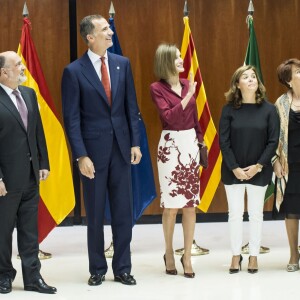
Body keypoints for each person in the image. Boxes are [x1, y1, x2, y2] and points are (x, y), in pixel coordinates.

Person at [61, 15, 142, 286]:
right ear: (90, 37)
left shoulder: (122, 64)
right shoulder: (74, 71)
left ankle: (122, 268)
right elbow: (71, 118)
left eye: (109, 29)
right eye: (104, 29)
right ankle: (97, 268)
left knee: (122, 212)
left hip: (121, 149)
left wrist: (134, 143)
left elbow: (131, 107)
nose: (110, 32)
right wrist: (81, 155)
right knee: (95, 214)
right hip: (92, 154)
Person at [0, 51, 56, 294]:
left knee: (29, 231)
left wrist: (43, 162)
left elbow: (37, 132)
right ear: (4, 72)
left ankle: (33, 277)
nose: (23, 67)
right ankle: (3, 275)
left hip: (31, 176)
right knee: (2, 232)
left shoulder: (29, 94)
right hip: (6, 180)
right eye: (18, 64)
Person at [150, 43, 205, 278]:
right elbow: (169, 117)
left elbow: (194, 118)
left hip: (190, 144)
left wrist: (201, 142)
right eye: (177, 57)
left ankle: (187, 256)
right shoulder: (157, 88)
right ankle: (169, 252)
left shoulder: (186, 84)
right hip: (170, 146)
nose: (182, 60)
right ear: (166, 62)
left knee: (190, 205)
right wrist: (189, 96)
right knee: (171, 206)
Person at [219, 65, 279, 274]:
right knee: (235, 214)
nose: (252, 79)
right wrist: (235, 168)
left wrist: (258, 166)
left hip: (260, 170)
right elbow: (223, 142)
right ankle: (236, 255)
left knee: (256, 214)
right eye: (246, 77)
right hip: (232, 171)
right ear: (238, 84)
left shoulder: (270, 110)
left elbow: (273, 141)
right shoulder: (228, 109)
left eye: (254, 76)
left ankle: (253, 255)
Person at [273, 58, 300, 272]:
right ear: (289, 81)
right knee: (291, 210)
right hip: (290, 165)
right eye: (298, 71)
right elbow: (273, 138)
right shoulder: (280, 104)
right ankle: (293, 254)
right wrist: (275, 162)